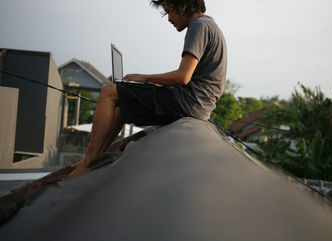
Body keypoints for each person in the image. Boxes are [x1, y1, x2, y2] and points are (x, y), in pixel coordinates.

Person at [66, 0, 227, 179]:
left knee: (109, 92)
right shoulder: (210, 25)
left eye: (169, 11)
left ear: (182, 6)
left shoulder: (198, 26)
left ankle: (86, 163)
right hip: (196, 104)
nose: (169, 19)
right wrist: (152, 85)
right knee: (121, 102)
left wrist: (144, 77)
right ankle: (95, 158)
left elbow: (183, 77)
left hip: (189, 103)